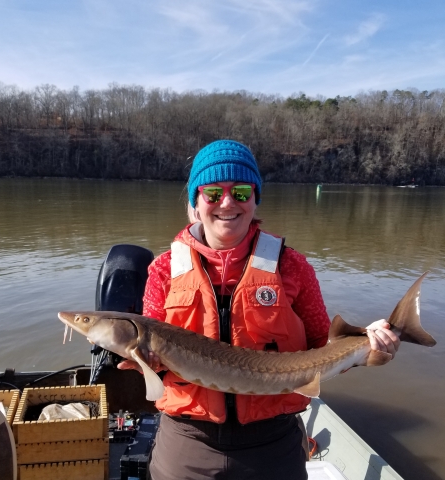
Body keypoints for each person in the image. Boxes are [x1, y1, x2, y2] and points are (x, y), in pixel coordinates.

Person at [118, 139, 400, 480]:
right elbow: (156, 364)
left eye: (240, 192)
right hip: (189, 442)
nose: (226, 202)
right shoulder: (163, 268)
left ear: (255, 199)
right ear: (196, 201)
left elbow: (325, 349)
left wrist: (369, 349)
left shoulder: (292, 266)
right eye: (212, 193)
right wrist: (146, 365)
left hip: (273, 445)